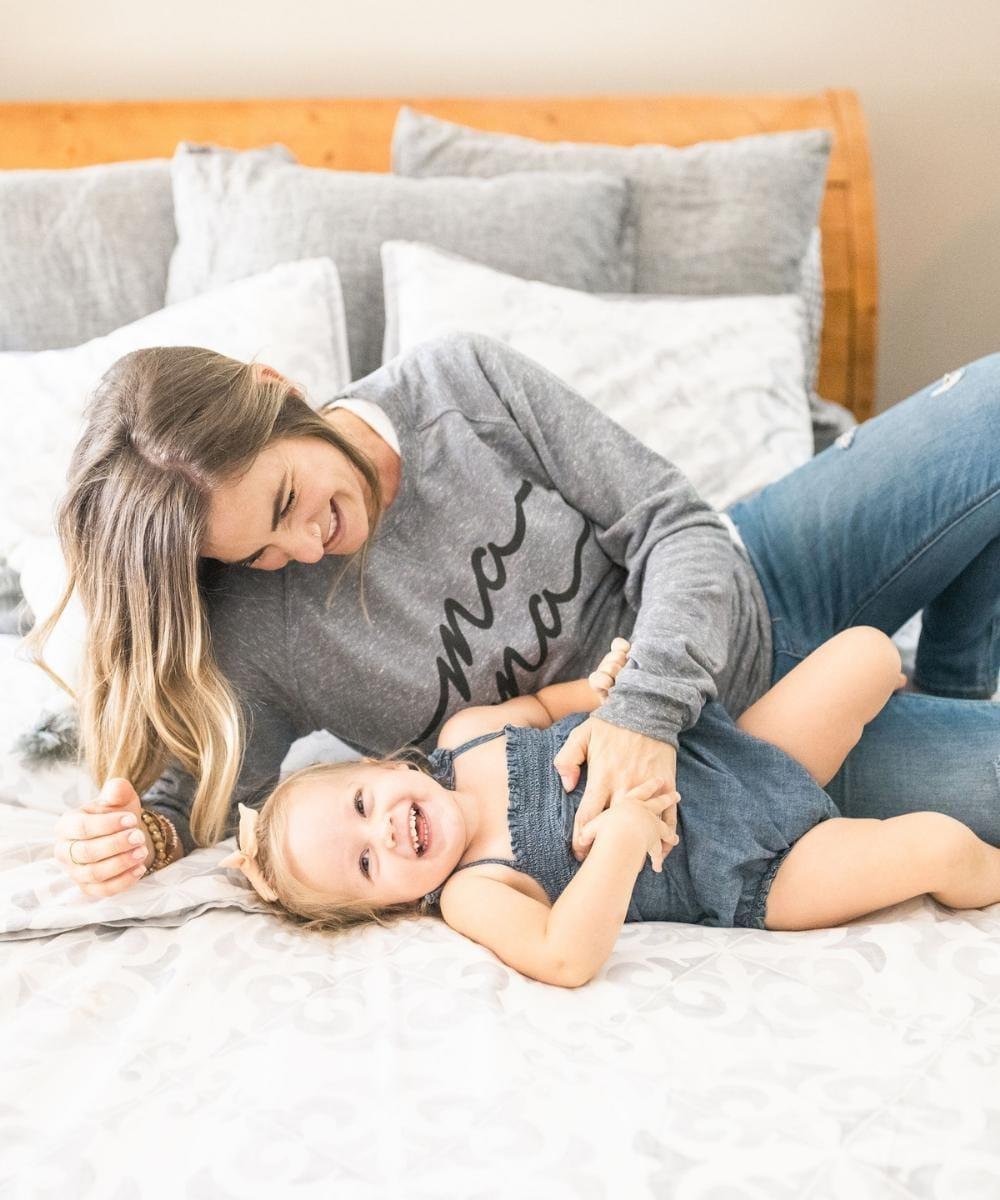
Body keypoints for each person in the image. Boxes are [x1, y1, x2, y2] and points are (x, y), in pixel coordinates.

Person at [44, 334, 1000, 898]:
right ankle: (944, 711)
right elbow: (213, 793)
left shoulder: (457, 386)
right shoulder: (259, 631)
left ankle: (956, 682)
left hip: (759, 582)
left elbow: (676, 528)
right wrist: (145, 835)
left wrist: (641, 712)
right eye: (257, 550)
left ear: (273, 388)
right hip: (739, 768)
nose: (301, 546)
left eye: (289, 499)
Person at [215, 630, 1000, 988]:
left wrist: (606, 689)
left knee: (867, 651)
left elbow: (549, 706)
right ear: (387, 907)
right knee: (937, 847)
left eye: (361, 803)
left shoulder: (467, 734)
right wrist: (621, 842)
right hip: (751, 872)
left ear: (382, 764)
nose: (383, 830)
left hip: (741, 758)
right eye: (364, 863)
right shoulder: (471, 890)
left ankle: (942, 688)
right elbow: (563, 956)